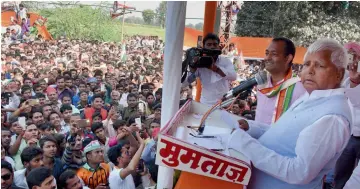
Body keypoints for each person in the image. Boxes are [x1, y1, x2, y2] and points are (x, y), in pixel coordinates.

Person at [227, 39, 353, 189]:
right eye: (307, 64)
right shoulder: (312, 96)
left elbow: (299, 172)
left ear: (339, 74)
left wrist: (245, 144)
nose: (310, 71)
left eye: (319, 65)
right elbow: (284, 135)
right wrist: (251, 128)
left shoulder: (333, 118)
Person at [255, 37, 306, 125]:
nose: (268, 58)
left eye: (274, 54)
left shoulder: (300, 89)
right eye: (267, 53)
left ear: (288, 58)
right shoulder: (262, 84)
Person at [333, 41, 360, 189]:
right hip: (348, 135)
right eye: (349, 55)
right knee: (340, 175)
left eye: (355, 55)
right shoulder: (341, 76)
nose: (352, 59)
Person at [183, 33, 237, 105]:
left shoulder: (226, 61)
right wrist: (192, 68)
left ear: (218, 46)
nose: (212, 47)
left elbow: (233, 77)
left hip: (224, 103)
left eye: (215, 44)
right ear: (203, 47)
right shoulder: (199, 62)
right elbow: (186, 82)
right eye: (209, 44)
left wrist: (216, 69)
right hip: (205, 103)